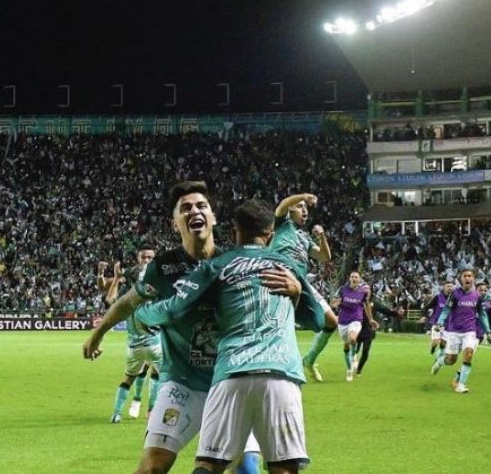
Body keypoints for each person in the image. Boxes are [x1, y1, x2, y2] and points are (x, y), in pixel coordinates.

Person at [82, 181, 267, 474]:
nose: (195, 211)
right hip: (182, 383)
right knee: (153, 465)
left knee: (247, 469)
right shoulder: (164, 267)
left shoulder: (234, 262)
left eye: (201, 206)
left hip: (230, 382)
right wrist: (98, 332)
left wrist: (295, 289)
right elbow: (129, 302)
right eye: (186, 208)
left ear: (214, 217)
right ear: (175, 222)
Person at [133, 199, 324, 474]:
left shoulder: (217, 265)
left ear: (235, 231)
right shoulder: (288, 266)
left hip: (232, 372)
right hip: (281, 373)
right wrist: (296, 293)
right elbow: (317, 320)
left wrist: (142, 315)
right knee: (283, 468)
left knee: (209, 464)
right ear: (270, 235)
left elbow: (174, 309)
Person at [270, 193, 336, 382]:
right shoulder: (282, 224)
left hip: (301, 279)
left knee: (332, 321)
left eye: (305, 207)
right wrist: (304, 196)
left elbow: (324, 257)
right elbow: (282, 204)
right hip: (281, 273)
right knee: (281, 322)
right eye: (299, 206)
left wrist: (322, 236)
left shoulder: (304, 236)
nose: (304, 209)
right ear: (291, 209)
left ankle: (309, 360)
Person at [105, 244, 162, 423]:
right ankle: (151, 411)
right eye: (143, 257)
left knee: (128, 378)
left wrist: (116, 277)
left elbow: (110, 300)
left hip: (134, 344)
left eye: (149, 258)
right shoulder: (158, 289)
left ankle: (116, 414)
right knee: (158, 374)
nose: (146, 261)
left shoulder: (129, 294)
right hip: (154, 342)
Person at [432, 269, 491, 393]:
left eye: (470, 276)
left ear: (473, 279)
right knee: (451, 360)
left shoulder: (477, 296)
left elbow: (482, 315)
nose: (467, 278)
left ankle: (461, 385)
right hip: (454, 332)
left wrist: (488, 331)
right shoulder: (454, 294)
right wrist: (439, 322)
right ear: (461, 279)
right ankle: (440, 361)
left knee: (469, 353)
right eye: (465, 276)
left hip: (469, 331)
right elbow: (446, 310)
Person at [335, 271, 378, 381]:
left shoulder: (362, 292)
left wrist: (371, 319)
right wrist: (336, 303)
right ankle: (349, 370)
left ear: (359, 280)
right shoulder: (342, 289)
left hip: (356, 320)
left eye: (356, 277)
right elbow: (333, 302)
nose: (354, 278)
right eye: (352, 276)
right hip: (343, 321)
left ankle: (354, 356)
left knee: (353, 339)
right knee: (346, 346)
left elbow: (367, 305)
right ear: (350, 278)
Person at [422, 281, 454, 355]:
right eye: (448, 286)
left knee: (443, 344)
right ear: (444, 287)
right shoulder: (438, 297)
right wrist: (425, 316)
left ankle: (440, 357)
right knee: (436, 341)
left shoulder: (454, 299)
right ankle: (433, 347)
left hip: (448, 325)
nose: (449, 288)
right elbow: (426, 308)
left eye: (451, 286)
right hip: (437, 323)